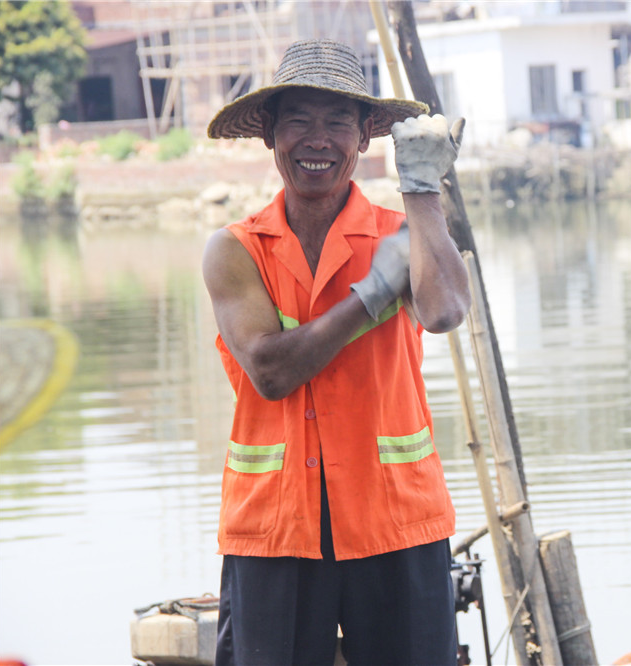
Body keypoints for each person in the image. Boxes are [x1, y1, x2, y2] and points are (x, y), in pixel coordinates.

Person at [201, 38, 470, 665]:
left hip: (394, 516)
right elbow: (269, 370)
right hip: (275, 527)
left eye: (338, 121)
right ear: (269, 135)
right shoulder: (236, 249)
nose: (317, 140)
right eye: (298, 120)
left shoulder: (405, 232)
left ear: (367, 136)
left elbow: (446, 311)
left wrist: (423, 189)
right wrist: (373, 293)